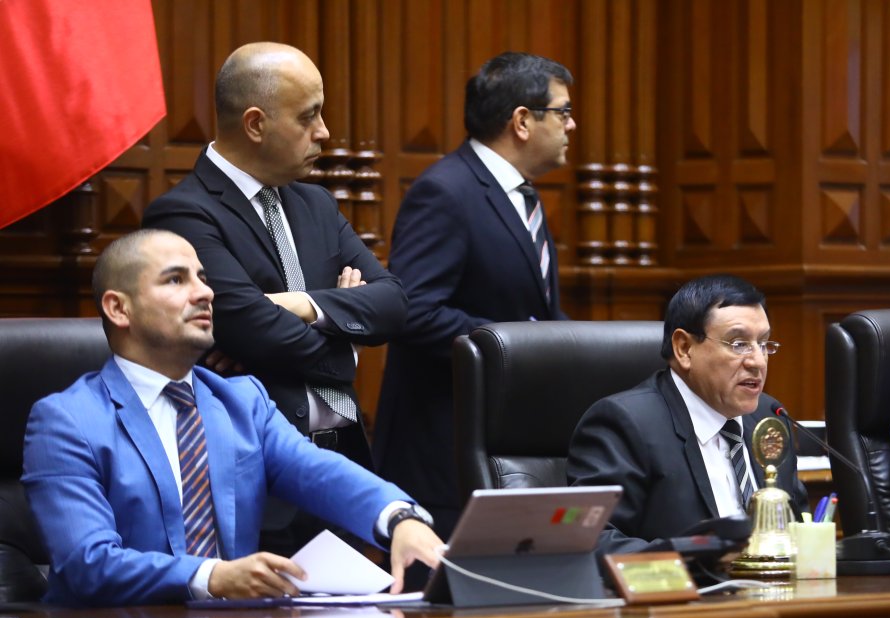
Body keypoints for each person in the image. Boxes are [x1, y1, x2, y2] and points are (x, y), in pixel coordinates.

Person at [21, 230, 443, 607]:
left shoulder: (241, 400)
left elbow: (318, 473)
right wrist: (212, 576)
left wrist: (398, 517)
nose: (204, 293)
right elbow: (87, 564)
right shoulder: (66, 420)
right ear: (118, 308)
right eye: (176, 280)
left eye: (203, 278)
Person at [142, 43, 408, 553]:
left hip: (346, 464)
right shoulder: (183, 215)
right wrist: (348, 344)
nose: (325, 132)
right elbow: (255, 330)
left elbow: (396, 304)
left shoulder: (316, 203)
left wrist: (304, 306)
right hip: (257, 480)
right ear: (256, 123)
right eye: (309, 116)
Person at [375, 51, 574, 539]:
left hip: (503, 442)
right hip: (444, 452)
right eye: (563, 112)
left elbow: (534, 311)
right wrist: (517, 344)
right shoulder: (446, 191)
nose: (572, 125)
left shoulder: (521, 195)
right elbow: (414, 311)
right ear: (523, 121)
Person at [566, 275, 808, 555]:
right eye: (739, 343)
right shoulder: (626, 424)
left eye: (763, 343)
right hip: (687, 594)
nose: (757, 361)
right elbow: (592, 540)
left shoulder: (769, 417)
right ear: (684, 349)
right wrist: (699, 557)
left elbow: (797, 526)